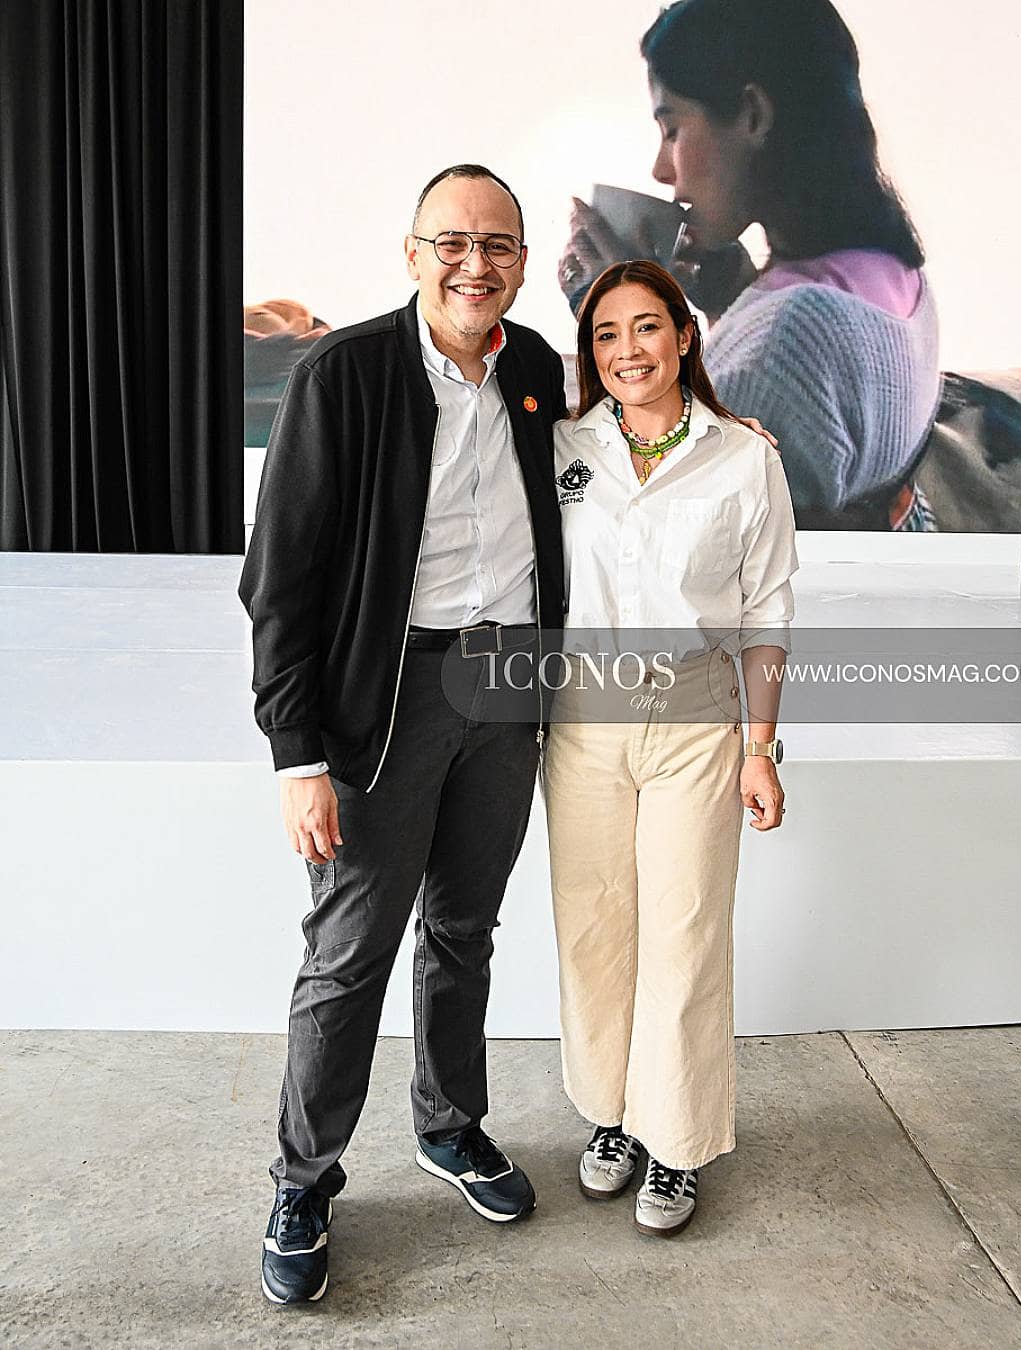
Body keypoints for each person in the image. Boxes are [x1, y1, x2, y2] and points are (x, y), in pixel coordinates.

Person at [238, 164, 569, 1305]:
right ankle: (303, 1179)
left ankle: (450, 1124)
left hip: (509, 684)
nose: (476, 264)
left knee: (464, 927)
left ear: (522, 262)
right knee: (350, 953)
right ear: (413, 253)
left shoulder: (535, 369)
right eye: (453, 243)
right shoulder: (344, 374)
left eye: (499, 245)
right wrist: (298, 754)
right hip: (386, 701)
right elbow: (279, 579)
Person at [543, 259, 797, 1236]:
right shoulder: (565, 447)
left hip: (695, 718)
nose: (627, 351)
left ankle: (677, 1143)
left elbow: (766, 610)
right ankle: (610, 1116)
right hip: (582, 718)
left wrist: (760, 748)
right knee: (595, 925)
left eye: (646, 327)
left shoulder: (745, 457)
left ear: (684, 336)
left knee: (685, 932)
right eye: (606, 334)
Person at [559, 0, 941, 531]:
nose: (661, 170)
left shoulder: (784, 339)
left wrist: (614, 315)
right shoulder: (895, 268)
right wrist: (734, 301)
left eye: (672, 130)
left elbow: (654, 507)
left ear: (753, 115)